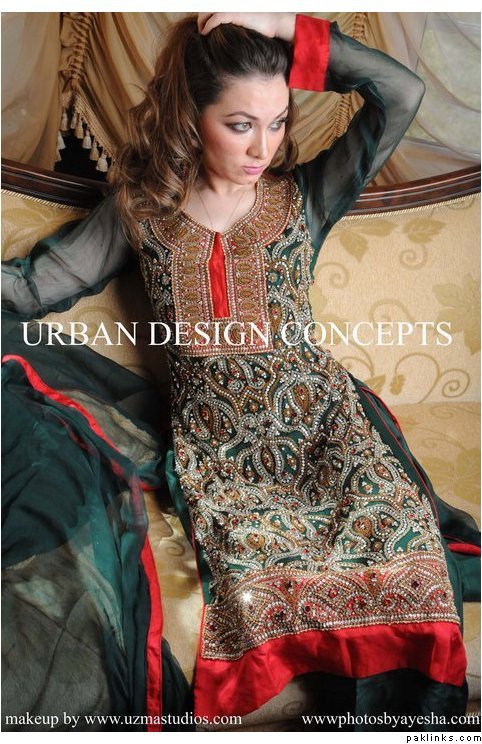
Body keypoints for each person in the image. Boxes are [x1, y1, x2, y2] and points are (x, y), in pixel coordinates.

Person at [2, 12, 480, 733]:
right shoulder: (145, 211)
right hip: (221, 452)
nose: (263, 148)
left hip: (327, 429)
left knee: (399, 554)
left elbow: (401, 92)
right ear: (191, 117)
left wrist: (283, 26)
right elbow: (34, 286)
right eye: (240, 125)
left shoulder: (306, 197)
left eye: (277, 123)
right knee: (262, 585)